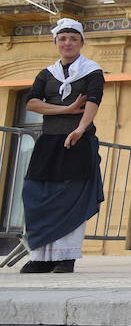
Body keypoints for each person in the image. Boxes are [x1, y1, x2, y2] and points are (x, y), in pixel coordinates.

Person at [18, 19, 104, 274]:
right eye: (63, 39)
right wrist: (65, 109)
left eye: (73, 39)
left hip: (78, 139)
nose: (68, 43)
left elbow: (93, 101)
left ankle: (66, 257)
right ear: (56, 43)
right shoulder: (47, 73)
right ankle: (40, 255)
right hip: (49, 140)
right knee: (37, 194)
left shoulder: (92, 71)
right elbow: (32, 103)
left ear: (81, 43)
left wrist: (79, 128)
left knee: (70, 197)